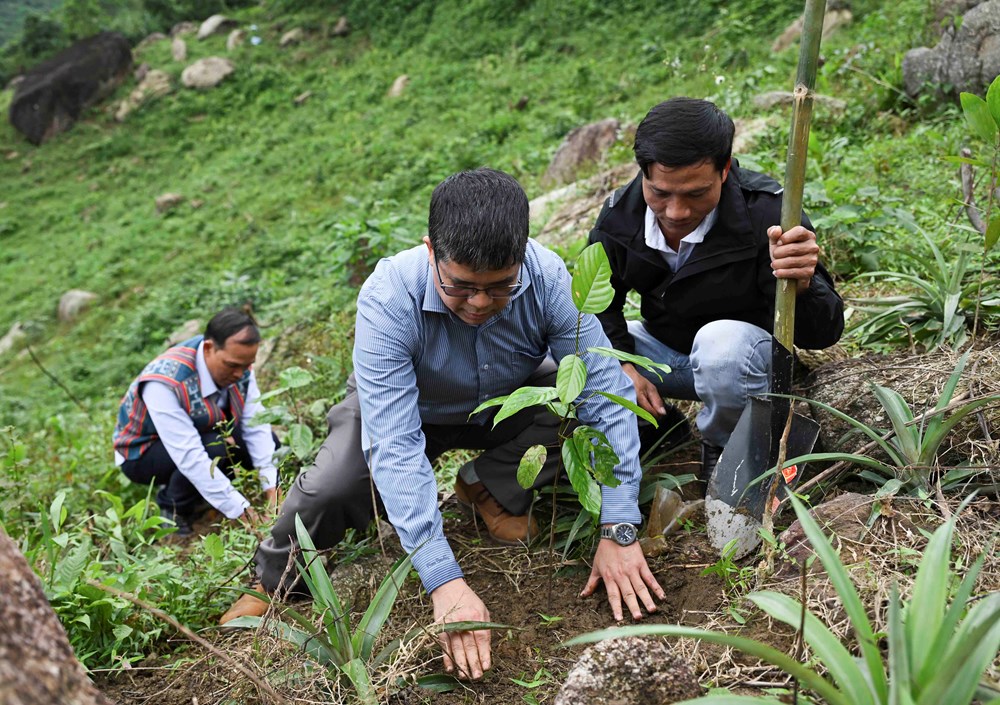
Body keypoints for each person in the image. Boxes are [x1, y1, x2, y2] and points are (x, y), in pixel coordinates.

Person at [221, 168, 664, 680]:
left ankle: (486, 485)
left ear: (521, 256)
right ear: (431, 250)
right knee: (331, 486)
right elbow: (394, 442)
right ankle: (272, 582)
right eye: (462, 286)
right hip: (405, 409)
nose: (479, 303)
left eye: (500, 288)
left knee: (589, 412)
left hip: (501, 398)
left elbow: (601, 396)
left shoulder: (548, 279)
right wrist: (444, 581)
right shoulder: (390, 296)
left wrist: (620, 528)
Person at [588, 97, 844, 488]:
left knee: (719, 345)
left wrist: (804, 283)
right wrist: (623, 368)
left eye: (694, 194)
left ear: (724, 170)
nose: (675, 212)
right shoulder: (617, 219)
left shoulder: (768, 215)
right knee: (573, 354)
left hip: (744, 362)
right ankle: (655, 425)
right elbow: (600, 306)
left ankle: (726, 446)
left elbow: (823, 333)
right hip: (669, 354)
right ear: (642, 174)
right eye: (660, 193)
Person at [113, 307, 279, 535]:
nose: (240, 374)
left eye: (247, 365)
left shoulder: (239, 366)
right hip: (142, 453)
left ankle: (205, 487)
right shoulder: (164, 382)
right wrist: (243, 512)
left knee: (270, 442)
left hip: (204, 431)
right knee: (215, 446)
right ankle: (172, 507)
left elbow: (256, 426)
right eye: (232, 365)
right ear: (209, 348)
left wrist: (273, 493)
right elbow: (189, 455)